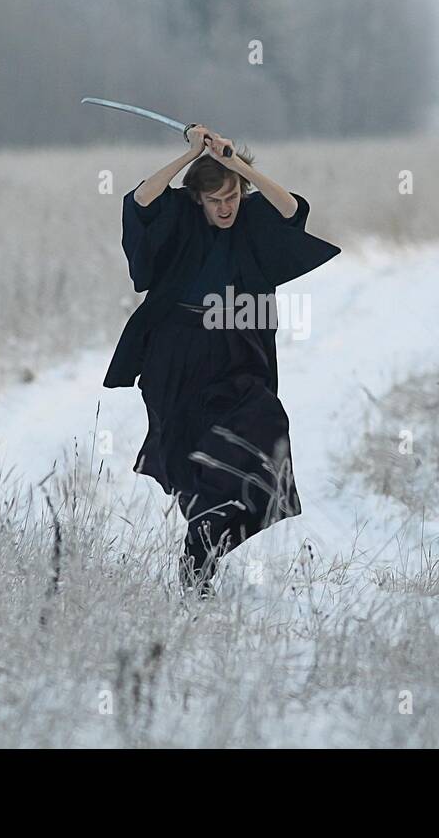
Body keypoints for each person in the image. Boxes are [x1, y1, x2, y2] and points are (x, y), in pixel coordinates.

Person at [103, 124, 340, 597]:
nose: (225, 207)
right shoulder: (181, 218)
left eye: (232, 195)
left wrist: (238, 165)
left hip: (237, 352)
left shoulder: (252, 218)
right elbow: (139, 203)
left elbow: (294, 211)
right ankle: (198, 565)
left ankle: (200, 552)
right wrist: (189, 156)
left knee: (262, 437)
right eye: (215, 200)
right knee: (194, 464)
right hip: (175, 354)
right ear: (198, 200)